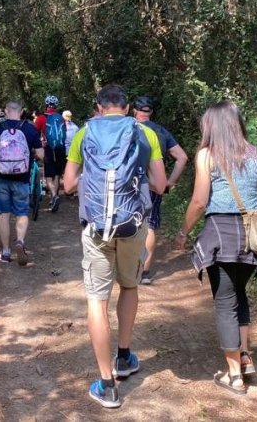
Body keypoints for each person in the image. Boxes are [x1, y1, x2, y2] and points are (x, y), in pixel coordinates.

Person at [63, 84, 166, 409]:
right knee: (130, 286)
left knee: (97, 299)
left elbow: (66, 185)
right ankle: (124, 357)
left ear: (98, 107)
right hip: (133, 225)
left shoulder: (84, 133)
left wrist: (92, 181)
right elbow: (161, 184)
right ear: (127, 107)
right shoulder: (144, 134)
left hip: (95, 229)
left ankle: (107, 385)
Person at [175, 100, 257, 395]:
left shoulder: (207, 155)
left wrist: (183, 231)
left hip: (221, 235)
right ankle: (245, 356)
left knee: (224, 301)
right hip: (253, 236)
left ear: (211, 126)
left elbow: (199, 201)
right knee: (239, 293)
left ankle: (234, 376)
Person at [132, 96, 188, 284]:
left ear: (134, 111)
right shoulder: (161, 131)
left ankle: (126, 267)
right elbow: (182, 157)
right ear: (151, 112)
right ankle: (144, 272)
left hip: (127, 184)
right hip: (154, 185)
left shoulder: (126, 128)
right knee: (149, 225)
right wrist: (169, 182)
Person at [0, 100, 44, 265]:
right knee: (22, 212)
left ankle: (6, 252)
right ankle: (20, 241)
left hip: (2, 178)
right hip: (22, 179)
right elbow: (41, 155)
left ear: (6, 112)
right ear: (21, 111)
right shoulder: (30, 129)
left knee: (4, 214)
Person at [34, 95, 67, 213]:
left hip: (48, 148)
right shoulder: (61, 118)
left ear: (46, 105)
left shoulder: (41, 118)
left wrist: (39, 144)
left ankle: (54, 196)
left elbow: (34, 133)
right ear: (56, 106)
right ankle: (55, 197)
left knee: (48, 175)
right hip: (60, 148)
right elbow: (64, 133)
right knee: (57, 174)